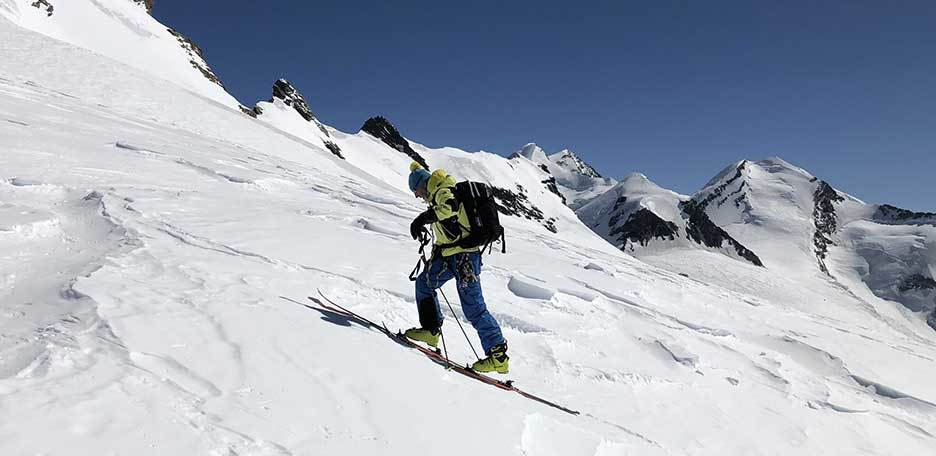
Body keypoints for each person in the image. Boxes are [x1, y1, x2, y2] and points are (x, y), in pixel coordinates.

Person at [404, 161, 509, 374]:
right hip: (448, 255)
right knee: (424, 283)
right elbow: (449, 228)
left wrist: (422, 219)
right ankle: (431, 330)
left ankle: (498, 356)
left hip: (465, 259)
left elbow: (449, 210)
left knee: (473, 307)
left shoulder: (442, 190)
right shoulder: (436, 194)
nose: (416, 195)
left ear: (422, 185)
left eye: (415, 190)